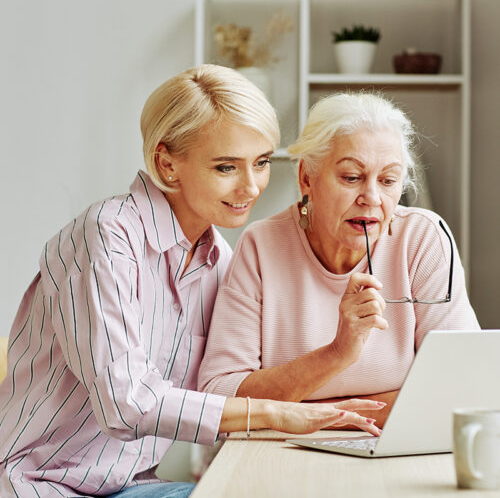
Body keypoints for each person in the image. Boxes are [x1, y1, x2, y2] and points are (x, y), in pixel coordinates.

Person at [0, 66, 384, 498]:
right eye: (226, 167)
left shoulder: (219, 259)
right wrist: (271, 413)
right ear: (167, 163)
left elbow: (235, 379)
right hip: (39, 486)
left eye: (261, 163)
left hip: (130, 488)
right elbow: (129, 405)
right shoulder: (106, 237)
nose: (251, 186)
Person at [198, 92, 480, 429]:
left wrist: (317, 415)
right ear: (307, 178)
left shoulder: (423, 239)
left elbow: (460, 387)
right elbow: (219, 398)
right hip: (280, 454)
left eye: (389, 181)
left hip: (397, 449)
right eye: (351, 177)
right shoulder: (261, 246)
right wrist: (338, 353)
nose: (372, 198)